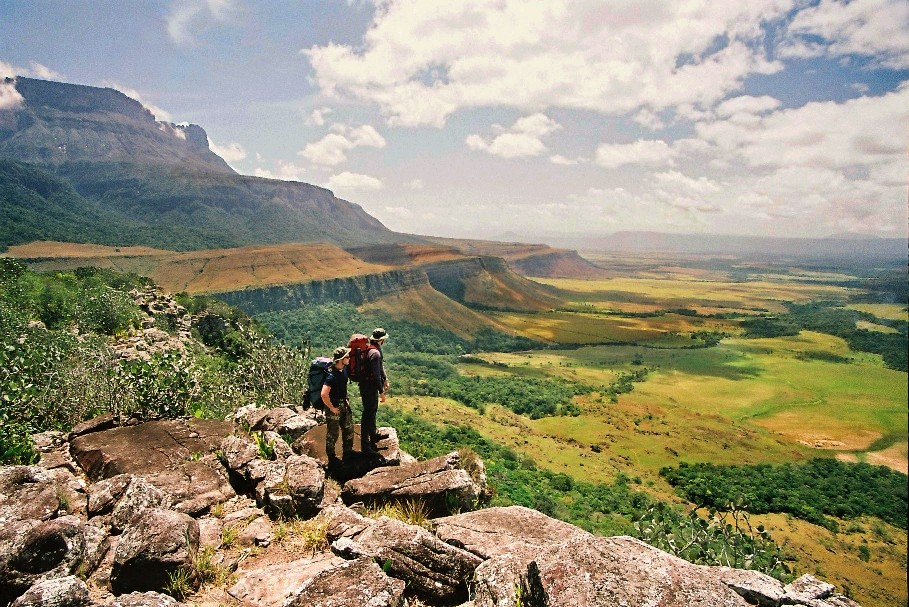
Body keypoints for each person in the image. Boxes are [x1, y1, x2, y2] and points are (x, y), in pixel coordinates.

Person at [358, 327, 389, 454]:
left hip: (368, 385)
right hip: (368, 386)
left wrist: (385, 379)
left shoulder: (374, 349)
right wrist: (381, 392)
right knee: (368, 414)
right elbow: (376, 375)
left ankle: (373, 434)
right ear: (381, 340)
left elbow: (380, 367)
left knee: (372, 410)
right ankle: (365, 446)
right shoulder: (375, 353)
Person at [322, 346, 354, 462]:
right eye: (347, 357)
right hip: (334, 405)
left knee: (349, 429)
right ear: (341, 359)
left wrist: (346, 399)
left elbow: (343, 386)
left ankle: (348, 454)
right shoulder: (331, 376)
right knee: (333, 434)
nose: (349, 358)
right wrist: (332, 408)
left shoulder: (344, 370)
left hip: (343, 403)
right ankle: (331, 458)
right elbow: (324, 394)